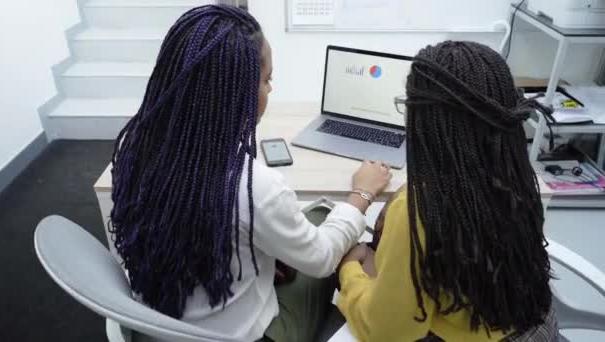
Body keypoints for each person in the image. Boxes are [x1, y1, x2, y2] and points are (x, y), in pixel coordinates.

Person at [108, 5, 392, 342]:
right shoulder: (255, 188)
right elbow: (320, 259)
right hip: (245, 336)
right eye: (266, 79)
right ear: (238, 93)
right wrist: (361, 195)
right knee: (345, 246)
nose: (270, 89)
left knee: (313, 218)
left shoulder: (133, 152)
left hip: (157, 326)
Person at [337, 41, 558, 341]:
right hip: (538, 329)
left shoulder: (420, 210)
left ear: (422, 120)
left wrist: (350, 273)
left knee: (358, 259)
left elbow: (389, 332)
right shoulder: (516, 178)